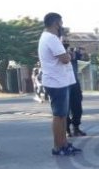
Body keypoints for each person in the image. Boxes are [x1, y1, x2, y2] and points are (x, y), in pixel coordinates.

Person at [37, 12, 82, 156]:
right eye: (61, 23)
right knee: (59, 115)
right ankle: (58, 147)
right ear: (56, 23)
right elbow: (64, 59)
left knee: (63, 115)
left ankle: (64, 144)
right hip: (57, 82)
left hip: (58, 81)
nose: (62, 26)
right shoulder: (51, 38)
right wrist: (69, 54)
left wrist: (66, 54)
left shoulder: (49, 38)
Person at [66, 44, 86, 137]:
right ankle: (67, 129)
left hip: (74, 83)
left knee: (77, 107)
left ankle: (76, 128)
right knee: (65, 108)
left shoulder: (74, 52)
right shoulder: (58, 52)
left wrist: (76, 52)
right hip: (64, 84)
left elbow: (83, 56)